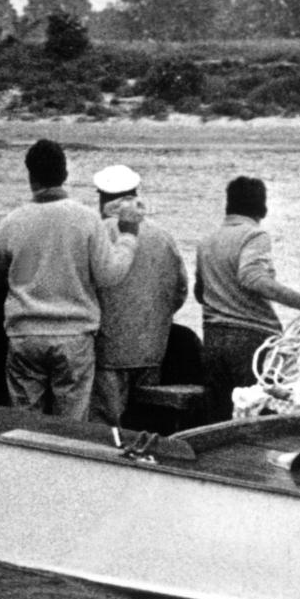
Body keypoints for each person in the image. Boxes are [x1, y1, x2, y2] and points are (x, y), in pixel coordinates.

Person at [0, 139, 141, 420]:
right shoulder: (86, 219)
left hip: (25, 335)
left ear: (31, 176)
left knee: (25, 422)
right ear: (65, 174)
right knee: (71, 424)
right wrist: (128, 237)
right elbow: (109, 275)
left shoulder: (14, 221)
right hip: (74, 337)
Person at [194, 176, 300, 423]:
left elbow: (199, 292)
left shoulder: (206, 241)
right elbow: (252, 277)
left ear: (228, 205)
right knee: (260, 414)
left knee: (219, 417)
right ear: (263, 208)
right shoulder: (255, 236)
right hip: (252, 340)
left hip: (213, 338)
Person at [88, 164, 188, 427]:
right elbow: (180, 291)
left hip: (107, 352)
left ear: (102, 198)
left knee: (105, 427)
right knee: (144, 423)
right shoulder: (163, 236)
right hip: (152, 349)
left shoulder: (98, 233)